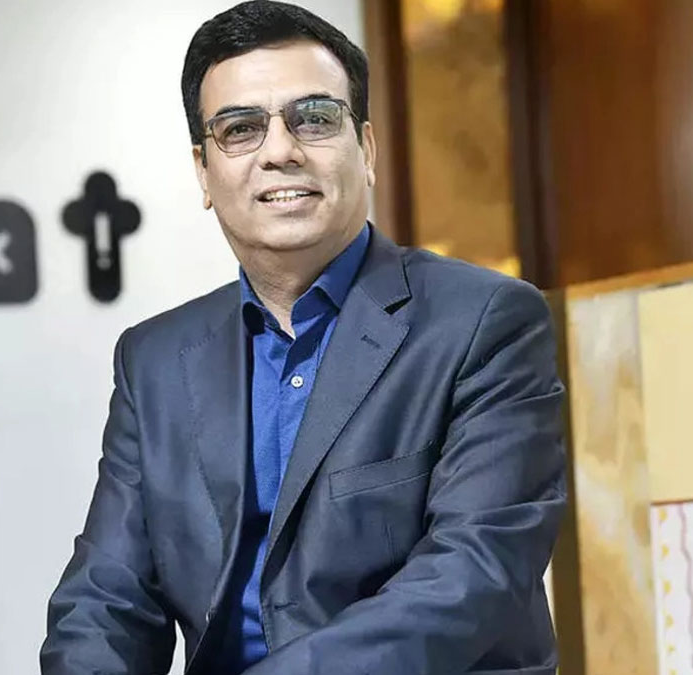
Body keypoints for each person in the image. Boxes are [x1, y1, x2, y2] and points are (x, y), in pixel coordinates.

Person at [40, 2, 567, 674]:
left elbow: (472, 574)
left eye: (313, 118)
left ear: (366, 149)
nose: (280, 151)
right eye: (240, 129)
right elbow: (106, 598)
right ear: (204, 172)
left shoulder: (484, 322)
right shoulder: (156, 360)